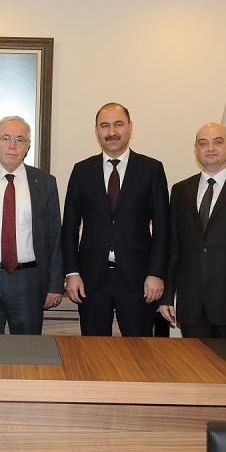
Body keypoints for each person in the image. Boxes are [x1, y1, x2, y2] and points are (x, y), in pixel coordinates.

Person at [62, 103, 169, 337]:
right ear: (96, 130)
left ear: (130, 127)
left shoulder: (151, 169)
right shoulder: (81, 171)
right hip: (91, 281)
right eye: (105, 126)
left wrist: (156, 273)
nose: (111, 132)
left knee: (138, 351)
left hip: (139, 281)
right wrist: (71, 272)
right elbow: (69, 226)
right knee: (94, 351)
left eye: (118, 124)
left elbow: (163, 228)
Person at [158, 123, 226, 338]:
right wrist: (167, 296)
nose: (210, 148)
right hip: (192, 305)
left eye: (218, 142)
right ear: (195, 149)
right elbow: (174, 248)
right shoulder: (180, 190)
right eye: (203, 143)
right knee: (195, 361)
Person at [0, 116, 64, 334]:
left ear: (28, 146)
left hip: (29, 281)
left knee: (27, 350)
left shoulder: (45, 182)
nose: (12, 145)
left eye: (19, 139)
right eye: (6, 138)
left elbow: (54, 238)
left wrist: (55, 285)